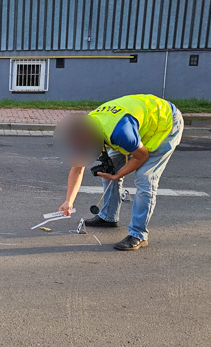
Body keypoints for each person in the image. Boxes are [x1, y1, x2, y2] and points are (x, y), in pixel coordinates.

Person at [55, 94, 184, 251]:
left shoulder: (120, 133)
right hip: (134, 124)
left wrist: (117, 175)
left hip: (165, 123)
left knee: (145, 178)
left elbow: (141, 156)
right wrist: (69, 201)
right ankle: (108, 217)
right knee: (109, 168)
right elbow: (77, 168)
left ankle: (139, 234)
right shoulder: (87, 126)